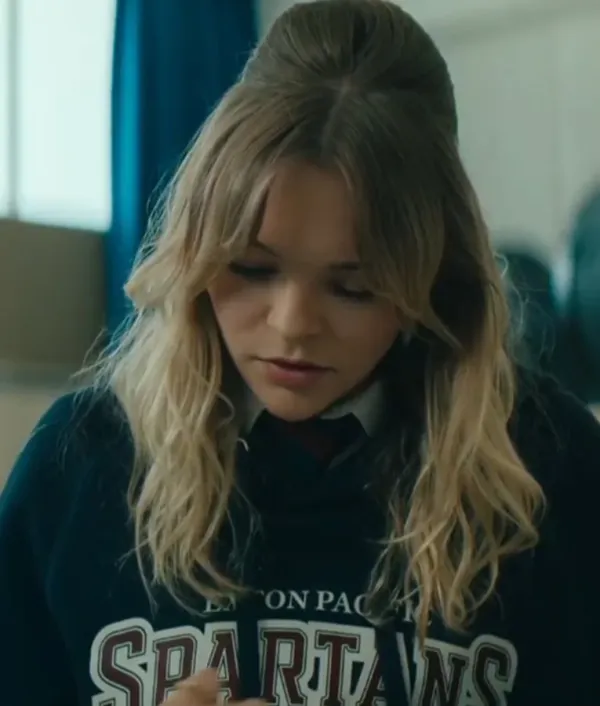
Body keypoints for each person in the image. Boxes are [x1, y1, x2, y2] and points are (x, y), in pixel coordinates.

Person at [1, 1, 599, 704]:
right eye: (252, 269)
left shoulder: (548, 467)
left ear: (432, 280)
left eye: (355, 287)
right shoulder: (80, 467)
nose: (293, 325)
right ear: (197, 251)